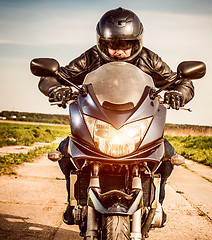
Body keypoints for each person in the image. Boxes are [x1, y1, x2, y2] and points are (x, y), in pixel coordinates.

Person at [38, 7, 194, 225]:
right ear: (103, 41)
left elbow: (182, 81)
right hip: (98, 123)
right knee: (65, 151)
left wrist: (179, 93)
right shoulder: (91, 56)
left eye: (125, 45)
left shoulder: (149, 59)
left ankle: (158, 202)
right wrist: (56, 88)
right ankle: (73, 200)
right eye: (113, 45)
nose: (118, 52)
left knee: (167, 153)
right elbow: (54, 76)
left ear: (136, 42)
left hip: (136, 123)